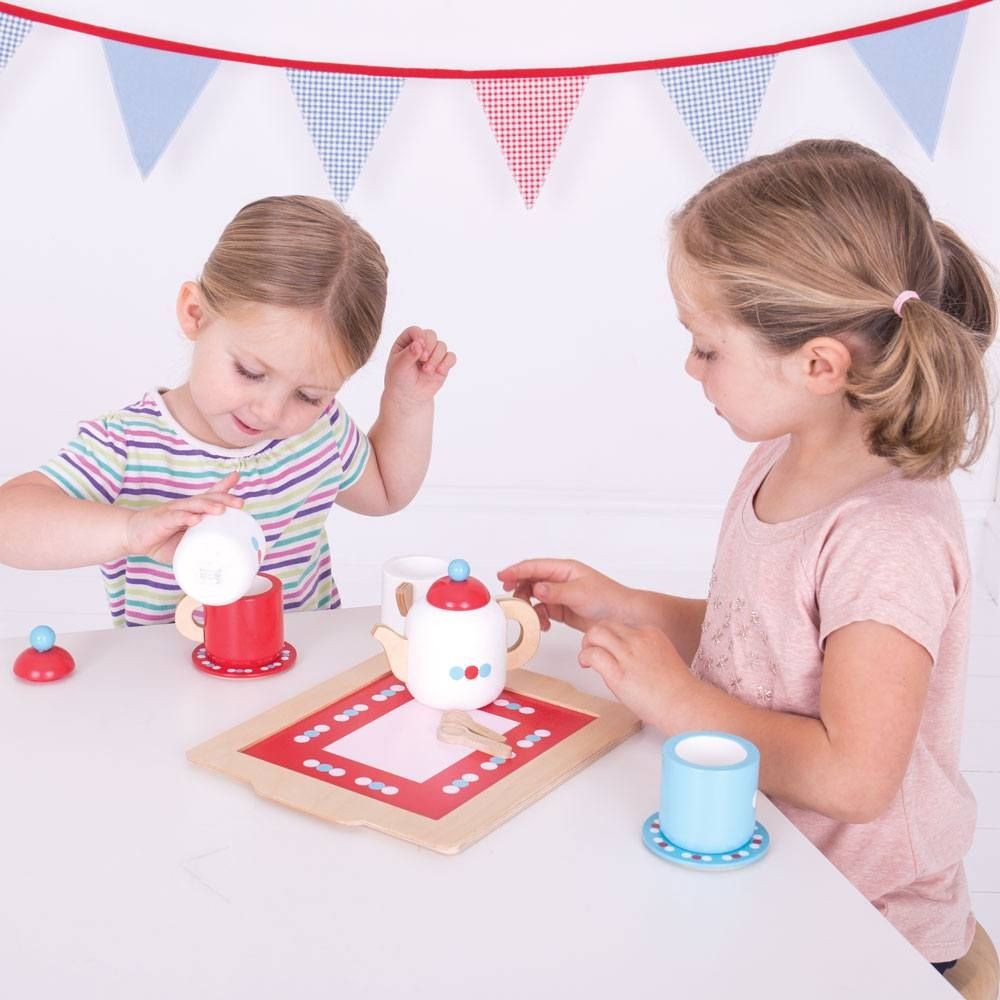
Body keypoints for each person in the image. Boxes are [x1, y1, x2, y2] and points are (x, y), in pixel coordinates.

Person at [499, 139, 995, 971]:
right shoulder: (782, 455)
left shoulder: (887, 539)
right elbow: (763, 644)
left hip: (862, 927)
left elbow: (855, 779)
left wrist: (678, 700)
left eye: (707, 346)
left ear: (818, 364)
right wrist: (627, 606)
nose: (689, 366)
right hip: (758, 857)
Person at [0, 195, 456, 625]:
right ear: (195, 314)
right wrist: (129, 530)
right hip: (171, 673)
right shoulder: (128, 446)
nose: (269, 412)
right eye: (250, 372)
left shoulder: (321, 431)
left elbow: (386, 492)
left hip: (307, 667)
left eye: (308, 395)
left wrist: (407, 403)